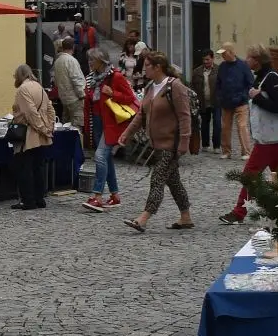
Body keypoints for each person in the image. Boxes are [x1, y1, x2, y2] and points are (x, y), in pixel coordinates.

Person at [120, 52, 192, 233]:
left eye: (147, 66)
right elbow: (141, 115)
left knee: (157, 179)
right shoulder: (150, 87)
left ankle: (143, 218)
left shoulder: (175, 87)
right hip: (156, 144)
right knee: (174, 182)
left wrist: (184, 142)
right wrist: (127, 133)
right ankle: (186, 217)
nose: (144, 69)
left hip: (171, 144)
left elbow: (184, 116)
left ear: (158, 67)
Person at [220, 48, 278, 224]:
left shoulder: (271, 77)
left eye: (249, 57)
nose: (246, 60)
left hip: (268, 139)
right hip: (269, 137)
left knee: (250, 174)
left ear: (257, 60)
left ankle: (239, 212)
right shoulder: (261, 77)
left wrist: (257, 97)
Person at [82, 49, 136, 212]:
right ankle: (115, 196)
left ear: (101, 61)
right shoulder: (91, 79)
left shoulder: (115, 77)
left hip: (111, 124)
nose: (90, 63)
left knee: (99, 156)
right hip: (97, 122)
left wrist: (113, 93)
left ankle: (97, 196)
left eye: (92, 60)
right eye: (89, 60)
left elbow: (130, 98)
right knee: (106, 158)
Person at [10, 65, 56, 210]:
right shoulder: (38, 86)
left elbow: (30, 113)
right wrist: (49, 127)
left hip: (29, 133)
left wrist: (42, 128)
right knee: (38, 167)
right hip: (40, 134)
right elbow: (50, 108)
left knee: (25, 168)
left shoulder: (23, 89)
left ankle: (28, 200)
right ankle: (39, 199)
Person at [215, 45, 255, 160]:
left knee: (242, 126)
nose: (222, 56)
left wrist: (244, 95)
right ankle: (226, 151)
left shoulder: (243, 66)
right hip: (226, 101)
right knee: (225, 127)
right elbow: (218, 83)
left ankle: (246, 152)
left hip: (241, 102)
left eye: (224, 53)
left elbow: (250, 82)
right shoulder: (222, 66)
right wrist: (220, 96)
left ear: (230, 52)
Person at [51, 37, 85, 126]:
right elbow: (76, 79)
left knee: (66, 125)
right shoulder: (71, 60)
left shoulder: (57, 61)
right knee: (77, 125)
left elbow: (56, 81)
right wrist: (82, 95)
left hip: (64, 98)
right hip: (75, 99)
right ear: (73, 47)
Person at [193, 52, 222, 155]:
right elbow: (193, 87)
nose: (205, 62)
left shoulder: (219, 70)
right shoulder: (197, 71)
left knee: (217, 123)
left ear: (212, 59)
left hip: (216, 101)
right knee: (205, 123)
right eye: (204, 60)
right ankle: (205, 144)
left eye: (207, 59)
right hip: (203, 101)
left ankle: (217, 146)